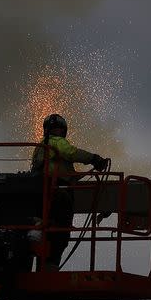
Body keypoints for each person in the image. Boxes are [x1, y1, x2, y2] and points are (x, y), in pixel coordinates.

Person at [31, 113, 108, 271]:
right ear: (62, 130)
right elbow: (71, 153)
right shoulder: (57, 142)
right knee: (61, 230)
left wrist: (75, 177)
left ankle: (41, 261)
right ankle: (51, 266)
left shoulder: (39, 147)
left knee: (46, 229)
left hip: (40, 192)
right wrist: (94, 159)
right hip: (59, 192)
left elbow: (55, 169)